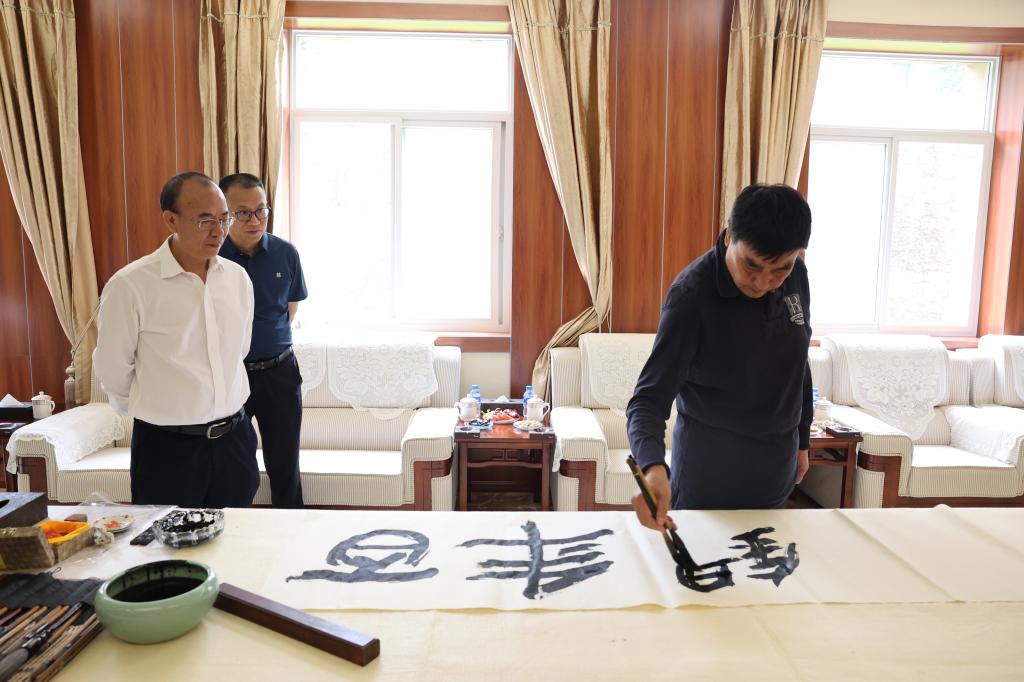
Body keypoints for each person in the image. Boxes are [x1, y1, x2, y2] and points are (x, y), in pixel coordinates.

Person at [626, 183, 813, 528]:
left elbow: (797, 359)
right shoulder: (691, 296)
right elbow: (648, 400)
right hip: (708, 480)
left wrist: (803, 438)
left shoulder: (797, 275)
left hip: (776, 474)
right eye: (751, 266)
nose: (762, 283)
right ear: (729, 237)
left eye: (779, 270)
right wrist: (652, 468)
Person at [94, 172, 259, 508]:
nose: (219, 231)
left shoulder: (237, 279)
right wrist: (161, 412)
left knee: (238, 538)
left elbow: (239, 351)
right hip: (167, 450)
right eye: (205, 220)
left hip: (234, 443)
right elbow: (113, 370)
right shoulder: (131, 285)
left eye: (224, 218)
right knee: (166, 541)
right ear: (171, 220)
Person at [219, 173, 307, 508]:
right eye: (243, 212)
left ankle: (290, 530)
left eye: (261, 210)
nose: (255, 220)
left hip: (279, 373)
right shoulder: (211, 257)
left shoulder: (285, 253)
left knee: (285, 465)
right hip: (229, 375)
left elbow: (290, 308)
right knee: (233, 467)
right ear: (224, 214)